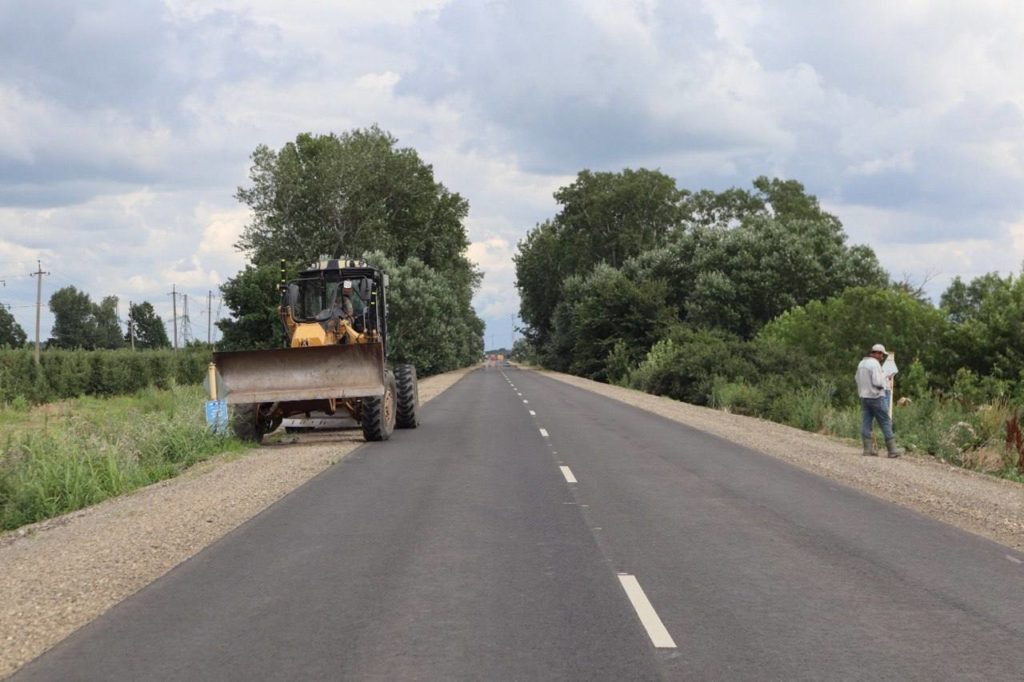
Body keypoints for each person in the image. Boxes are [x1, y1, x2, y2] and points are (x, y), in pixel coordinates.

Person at [855, 344, 903, 457]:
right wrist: (885, 379)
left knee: (866, 422)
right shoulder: (874, 364)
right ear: (877, 353)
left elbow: (856, 378)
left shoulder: (861, 363)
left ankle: (867, 449)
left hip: (864, 397)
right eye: (881, 354)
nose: (882, 357)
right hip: (876, 397)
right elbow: (877, 382)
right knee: (885, 421)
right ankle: (892, 450)